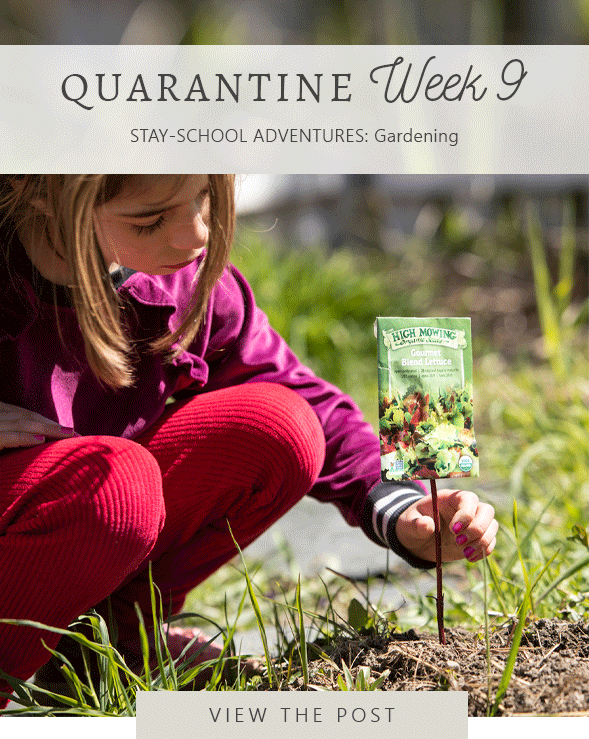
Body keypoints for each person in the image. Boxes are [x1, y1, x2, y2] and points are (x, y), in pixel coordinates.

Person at [0, 174, 498, 705]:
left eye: (206, 198)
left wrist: (400, 509)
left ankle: (112, 647)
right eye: (150, 219)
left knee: (280, 424)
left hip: (95, 529)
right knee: (114, 484)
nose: (196, 235)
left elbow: (296, 393)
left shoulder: (180, 281)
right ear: (39, 186)